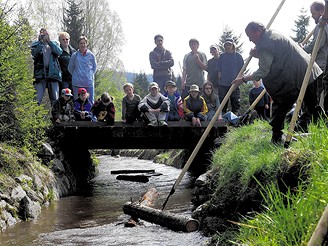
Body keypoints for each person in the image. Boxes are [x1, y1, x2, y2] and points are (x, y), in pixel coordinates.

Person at [232, 21, 322, 144]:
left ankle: (278, 137)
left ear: (258, 31)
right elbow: (276, 57)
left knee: (285, 103)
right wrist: (258, 54)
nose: (249, 40)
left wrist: (242, 79)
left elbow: (263, 71)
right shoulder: (271, 34)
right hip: (309, 71)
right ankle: (281, 135)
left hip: (302, 76)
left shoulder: (266, 44)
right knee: (311, 107)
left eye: (250, 36)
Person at [31, 28, 62, 106]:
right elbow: (34, 54)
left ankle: (56, 117)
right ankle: (35, 117)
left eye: (46, 34)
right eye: (43, 34)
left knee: (55, 100)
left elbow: (59, 52)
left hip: (53, 75)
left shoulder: (54, 44)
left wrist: (49, 42)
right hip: (40, 75)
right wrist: (41, 43)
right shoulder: (36, 44)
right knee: (37, 100)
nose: (45, 36)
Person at [217, 38, 244, 115]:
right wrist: (219, 81)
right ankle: (223, 120)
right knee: (222, 103)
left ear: (233, 45)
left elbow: (242, 70)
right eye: (226, 45)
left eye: (229, 44)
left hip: (234, 83)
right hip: (223, 84)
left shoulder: (238, 56)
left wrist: (239, 82)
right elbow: (219, 70)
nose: (228, 46)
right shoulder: (222, 56)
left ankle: (235, 121)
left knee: (235, 102)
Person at [68, 36, 97, 105]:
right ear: (78, 44)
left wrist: (89, 75)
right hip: (77, 83)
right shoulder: (74, 55)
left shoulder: (91, 55)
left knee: (90, 103)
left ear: (86, 44)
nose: (82, 45)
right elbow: (70, 68)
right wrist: (77, 75)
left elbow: (94, 68)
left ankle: (90, 115)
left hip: (88, 83)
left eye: (84, 43)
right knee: (77, 102)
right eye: (81, 43)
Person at [302, 1, 328, 71]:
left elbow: (315, 45)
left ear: (322, 11)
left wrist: (302, 49)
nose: (312, 16)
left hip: (320, 67)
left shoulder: (322, 25)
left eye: (314, 13)